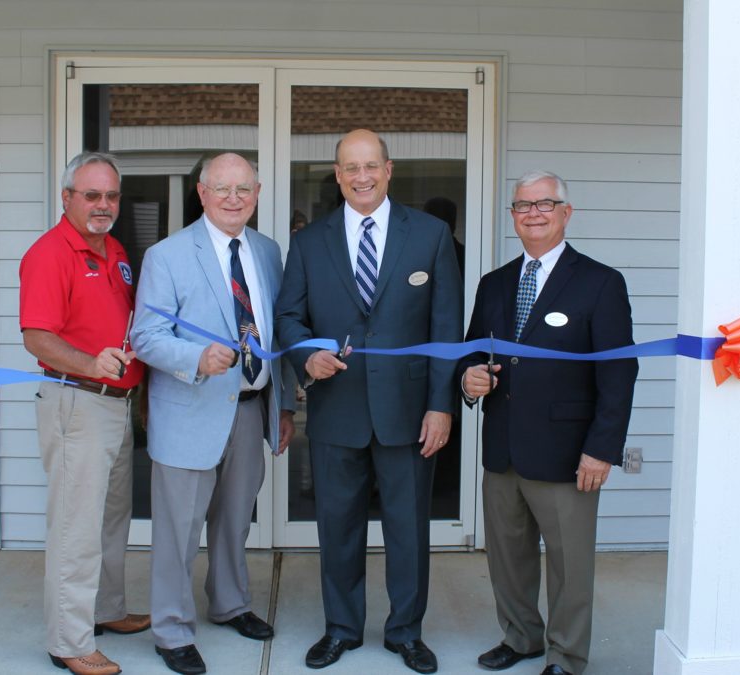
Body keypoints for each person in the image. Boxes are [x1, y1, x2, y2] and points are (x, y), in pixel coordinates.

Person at [275, 129, 463, 674]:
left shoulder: (428, 235)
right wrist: (306, 356)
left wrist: (441, 404)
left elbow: (446, 328)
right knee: (338, 528)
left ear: (389, 169)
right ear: (337, 174)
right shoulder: (310, 242)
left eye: (370, 166)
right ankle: (341, 629)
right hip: (337, 408)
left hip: (409, 412)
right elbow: (289, 316)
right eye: (349, 167)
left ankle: (405, 631)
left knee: (408, 529)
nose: (361, 177)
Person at [458, 170, 638, 675]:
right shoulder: (493, 284)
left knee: (569, 566)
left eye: (544, 204)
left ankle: (567, 656)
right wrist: (468, 377)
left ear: (566, 212)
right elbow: (471, 351)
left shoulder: (600, 282)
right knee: (507, 559)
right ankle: (521, 638)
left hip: (568, 452)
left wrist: (602, 449)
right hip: (503, 448)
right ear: (512, 216)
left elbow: (619, 372)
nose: (533, 213)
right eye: (522, 205)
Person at [131, 153, 296, 675]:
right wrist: (194, 359)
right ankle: (173, 630)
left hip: (251, 409)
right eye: (221, 188)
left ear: (258, 192)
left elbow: (278, 334)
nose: (232, 198)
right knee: (178, 531)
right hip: (189, 409)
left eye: (243, 189)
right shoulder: (167, 254)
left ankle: (229, 604)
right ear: (201, 193)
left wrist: (284, 403)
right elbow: (146, 336)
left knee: (233, 523)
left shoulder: (269, 252)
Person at [19, 151, 151, 675]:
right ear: (67, 197)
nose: (103, 205)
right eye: (91, 195)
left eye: (111, 195)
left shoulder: (113, 248)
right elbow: (38, 338)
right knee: (77, 527)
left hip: (116, 405)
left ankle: (107, 610)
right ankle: (69, 641)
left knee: (111, 519)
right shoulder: (51, 253)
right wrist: (91, 363)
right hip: (76, 403)